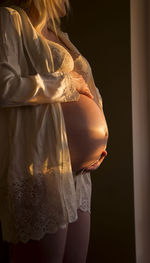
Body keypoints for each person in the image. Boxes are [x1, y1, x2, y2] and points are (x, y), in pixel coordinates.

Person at [0, 0, 108, 262]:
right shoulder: (10, 20)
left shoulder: (60, 36)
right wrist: (65, 83)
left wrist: (100, 140)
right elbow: (5, 87)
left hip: (77, 177)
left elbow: (88, 88)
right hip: (41, 170)